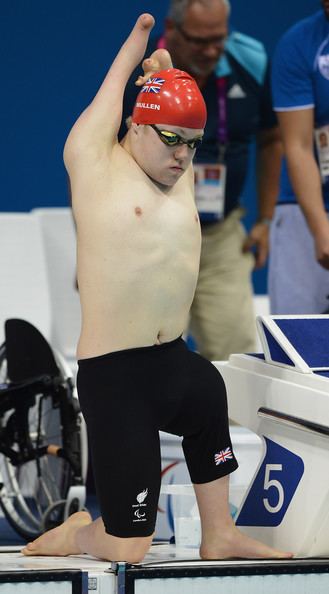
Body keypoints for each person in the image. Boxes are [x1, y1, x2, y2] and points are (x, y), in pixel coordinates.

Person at [22, 14, 291, 563]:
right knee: (129, 548)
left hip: (173, 359)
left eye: (193, 145)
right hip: (116, 377)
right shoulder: (96, 168)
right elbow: (111, 100)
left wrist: (168, 74)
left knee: (207, 392)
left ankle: (219, 533)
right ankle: (77, 533)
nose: (183, 157)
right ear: (136, 125)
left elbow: (176, 106)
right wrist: (140, 44)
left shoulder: (176, 169)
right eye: (172, 141)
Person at [120, 0, 282, 361]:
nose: (210, 50)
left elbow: (272, 137)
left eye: (219, 39)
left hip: (221, 237)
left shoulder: (251, 60)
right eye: (198, 41)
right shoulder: (139, 75)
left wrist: (265, 219)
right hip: (150, 236)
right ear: (172, 30)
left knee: (237, 358)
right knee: (142, 358)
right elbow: (98, 156)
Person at [269, 2, 329, 314]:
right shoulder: (300, 43)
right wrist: (321, 230)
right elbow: (298, 145)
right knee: (296, 346)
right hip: (303, 211)